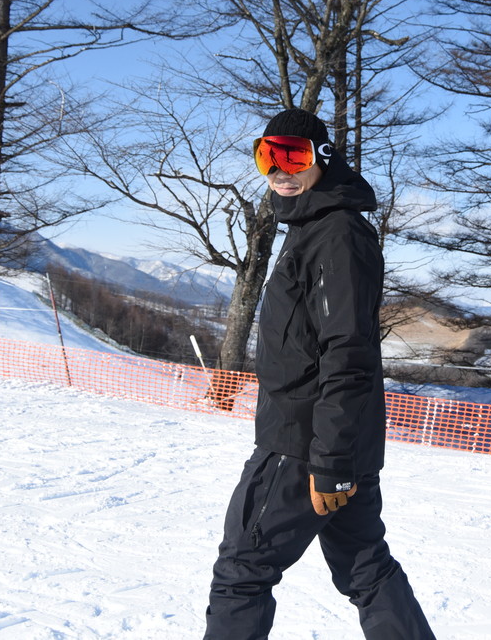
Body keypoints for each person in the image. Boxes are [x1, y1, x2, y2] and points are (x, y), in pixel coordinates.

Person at [204, 108, 435, 640]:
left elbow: (348, 353)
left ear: (322, 158)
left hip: (305, 444)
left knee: (243, 569)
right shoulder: (312, 226)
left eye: (294, 155)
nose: (280, 170)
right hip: (337, 441)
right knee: (366, 567)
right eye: (267, 156)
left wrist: (329, 463)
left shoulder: (334, 234)